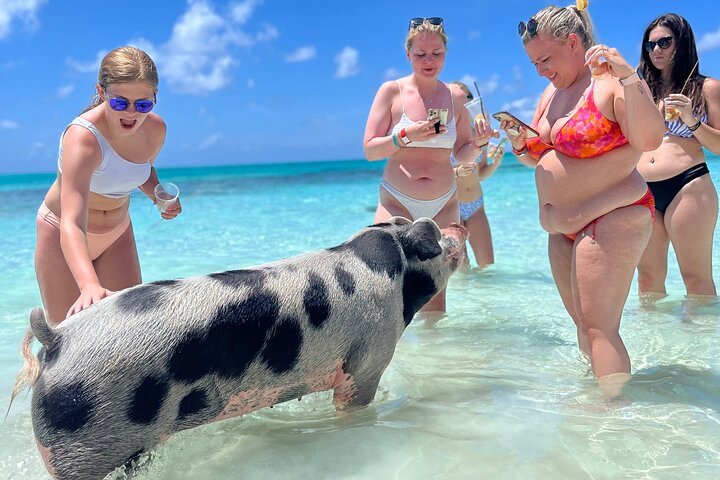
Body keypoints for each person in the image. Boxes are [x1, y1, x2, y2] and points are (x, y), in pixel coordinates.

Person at [502, 5, 664, 395]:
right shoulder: (550, 93)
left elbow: (650, 139)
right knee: (582, 323)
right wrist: (521, 144)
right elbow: (542, 158)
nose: (540, 69)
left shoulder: (607, 84)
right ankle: (600, 398)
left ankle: (613, 414)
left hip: (612, 216)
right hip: (565, 227)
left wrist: (629, 76)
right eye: (533, 62)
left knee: (599, 327)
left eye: (545, 59)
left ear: (573, 43)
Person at [35, 46, 181, 325]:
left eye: (143, 104)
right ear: (101, 93)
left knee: (129, 328)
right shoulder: (83, 139)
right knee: (66, 338)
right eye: (119, 103)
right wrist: (89, 284)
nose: (131, 113)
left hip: (117, 234)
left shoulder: (155, 130)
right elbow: (71, 223)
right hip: (61, 233)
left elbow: (141, 170)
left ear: (154, 98)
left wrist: (158, 195)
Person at [363, 18, 495, 312]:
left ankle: (437, 358)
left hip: (444, 204)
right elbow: (370, 149)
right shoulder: (392, 91)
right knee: (387, 291)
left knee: (436, 300)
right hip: (398, 201)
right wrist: (405, 136)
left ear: (446, 53)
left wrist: (479, 143)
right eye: (421, 54)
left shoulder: (455, 96)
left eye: (436, 53)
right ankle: (399, 358)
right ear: (408, 55)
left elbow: (461, 155)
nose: (429, 60)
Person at [636, 13, 719, 300]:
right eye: (650, 46)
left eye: (664, 42)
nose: (656, 50)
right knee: (647, 280)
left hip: (688, 185)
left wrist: (691, 119)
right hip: (643, 191)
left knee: (695, 280)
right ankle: (654, 344)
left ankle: (701, 344)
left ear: (681, 43)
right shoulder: (643, 90)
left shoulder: (707, 87)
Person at [449, 81, 505, 268]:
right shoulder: (443, 134)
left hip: (475, 204)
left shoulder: (479, 133)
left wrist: (496, 163)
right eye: (458, 99)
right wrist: (455, 172)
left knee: (487, 265)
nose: (464, 103)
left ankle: (489, 298)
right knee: (461, 270)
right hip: (450, 207)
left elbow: (480, 174)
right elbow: (430, 172)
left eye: (468, 98)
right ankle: (467, 299)